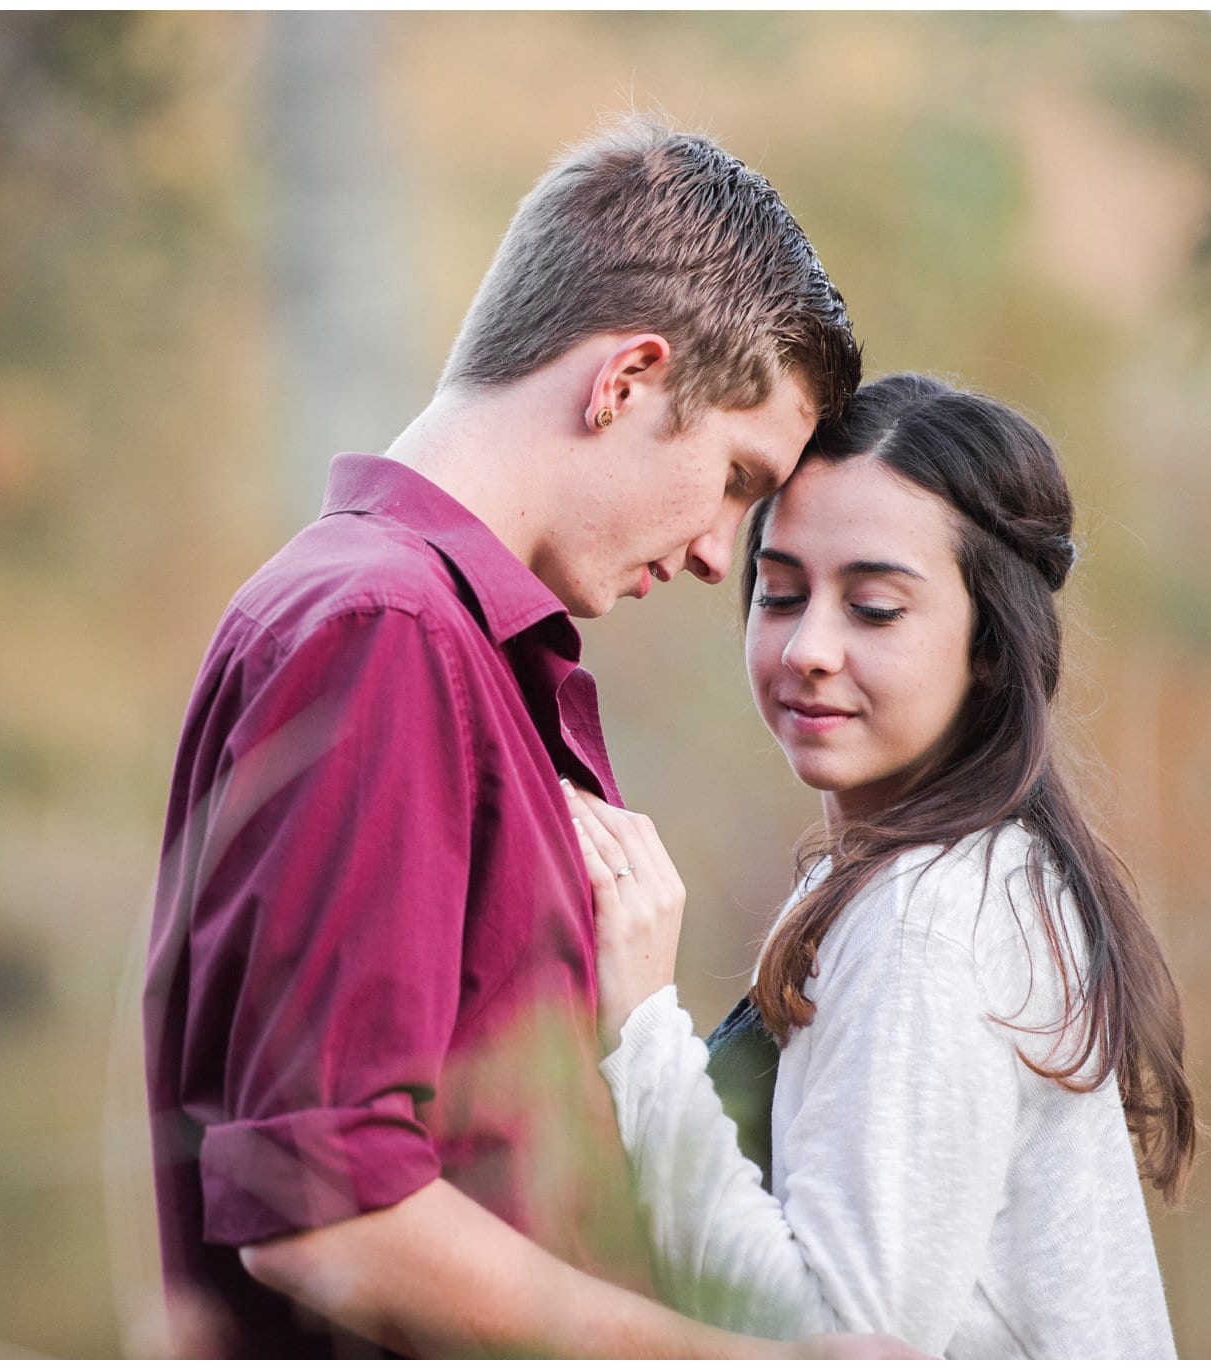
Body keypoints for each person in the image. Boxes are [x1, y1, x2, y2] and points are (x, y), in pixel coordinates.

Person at [142, 116, 913, 1357]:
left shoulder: (441, 643)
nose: (725, 549)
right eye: (732, 477)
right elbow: (327, 1218)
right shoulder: (382, 630)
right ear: (624, 380)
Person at [568, 373, 1197, 1358]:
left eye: (871, 607)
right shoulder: (961, 871)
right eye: (778, 593)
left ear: (988, 643)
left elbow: (835, 1338)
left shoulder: (927, 924)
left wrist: (641, 1028)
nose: (808, 646)